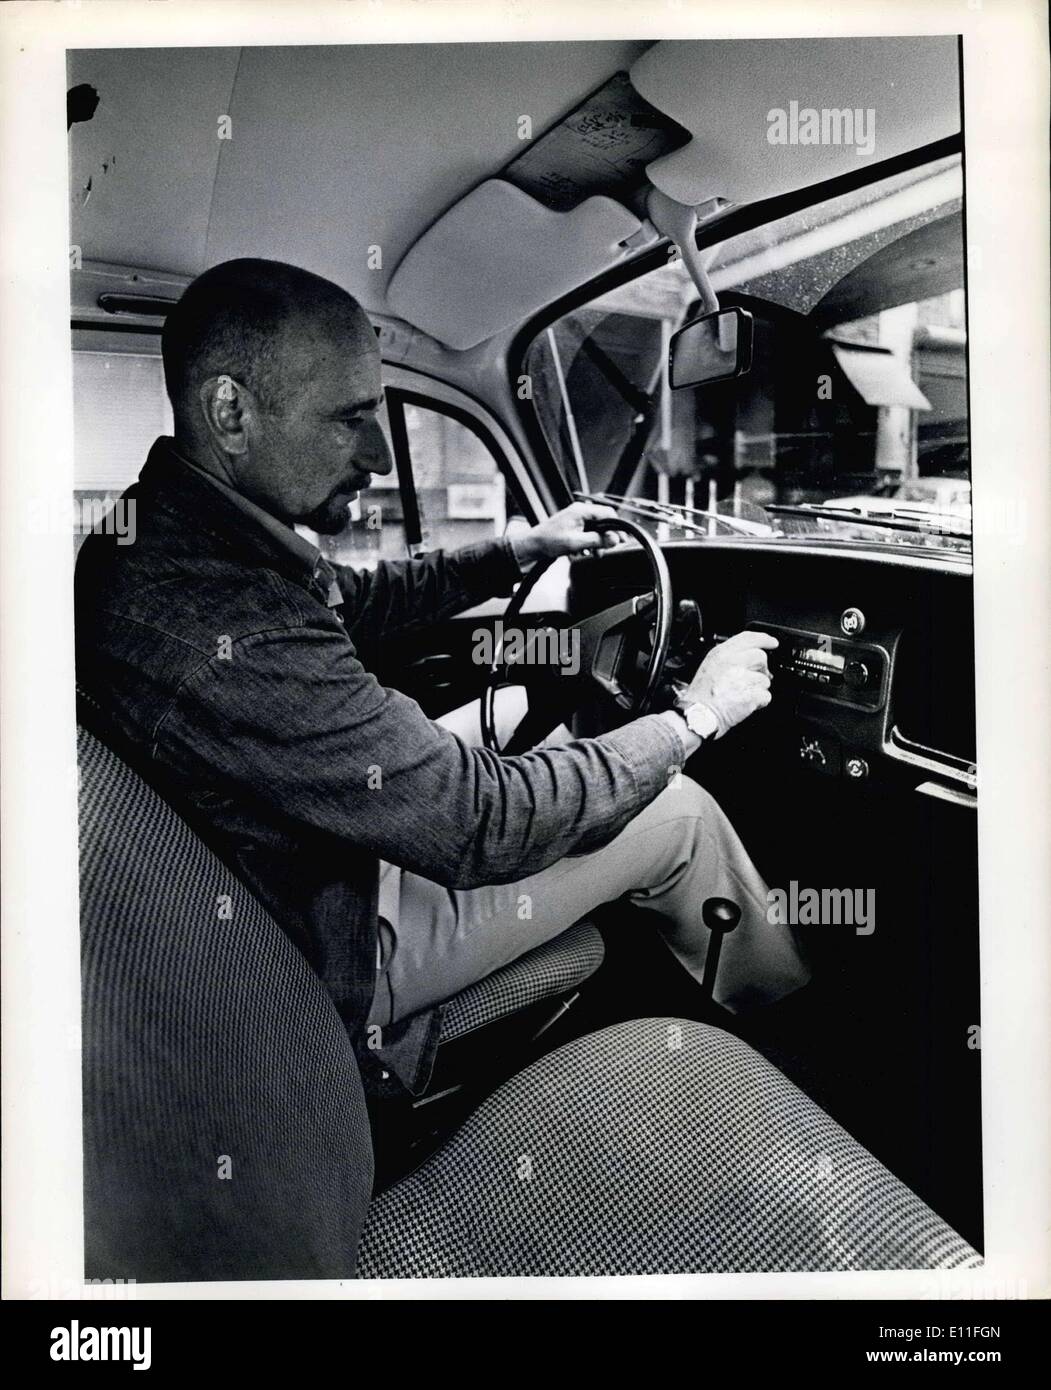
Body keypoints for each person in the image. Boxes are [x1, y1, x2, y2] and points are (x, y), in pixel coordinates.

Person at [75, 258, 807, 1095]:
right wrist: (696, 719)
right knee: (679, 809)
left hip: (296, 873)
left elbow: (362, 599)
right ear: (231, 413)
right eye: (351, 420)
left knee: (549, 722)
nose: (381, 457)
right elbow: (480, 822)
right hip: (332, 950)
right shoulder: (225, 613)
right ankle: (790, 1037)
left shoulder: (170, 543)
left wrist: (520, 550)